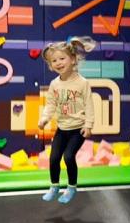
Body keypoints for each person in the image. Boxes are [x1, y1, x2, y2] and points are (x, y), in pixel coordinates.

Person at [38, 36, 96, 203]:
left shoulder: (82, 83)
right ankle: (54, 186)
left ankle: (71, 188)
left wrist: (89, 125)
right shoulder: (54, 84)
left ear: (72, 59)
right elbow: (51, 104)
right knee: (54, 158)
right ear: (50, 65)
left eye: (62, 58)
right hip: (62, 129)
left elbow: (89, 105)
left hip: (78, 129)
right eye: (54, 60)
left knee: (69, 156)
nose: (58, 63)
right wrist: (44, 119)